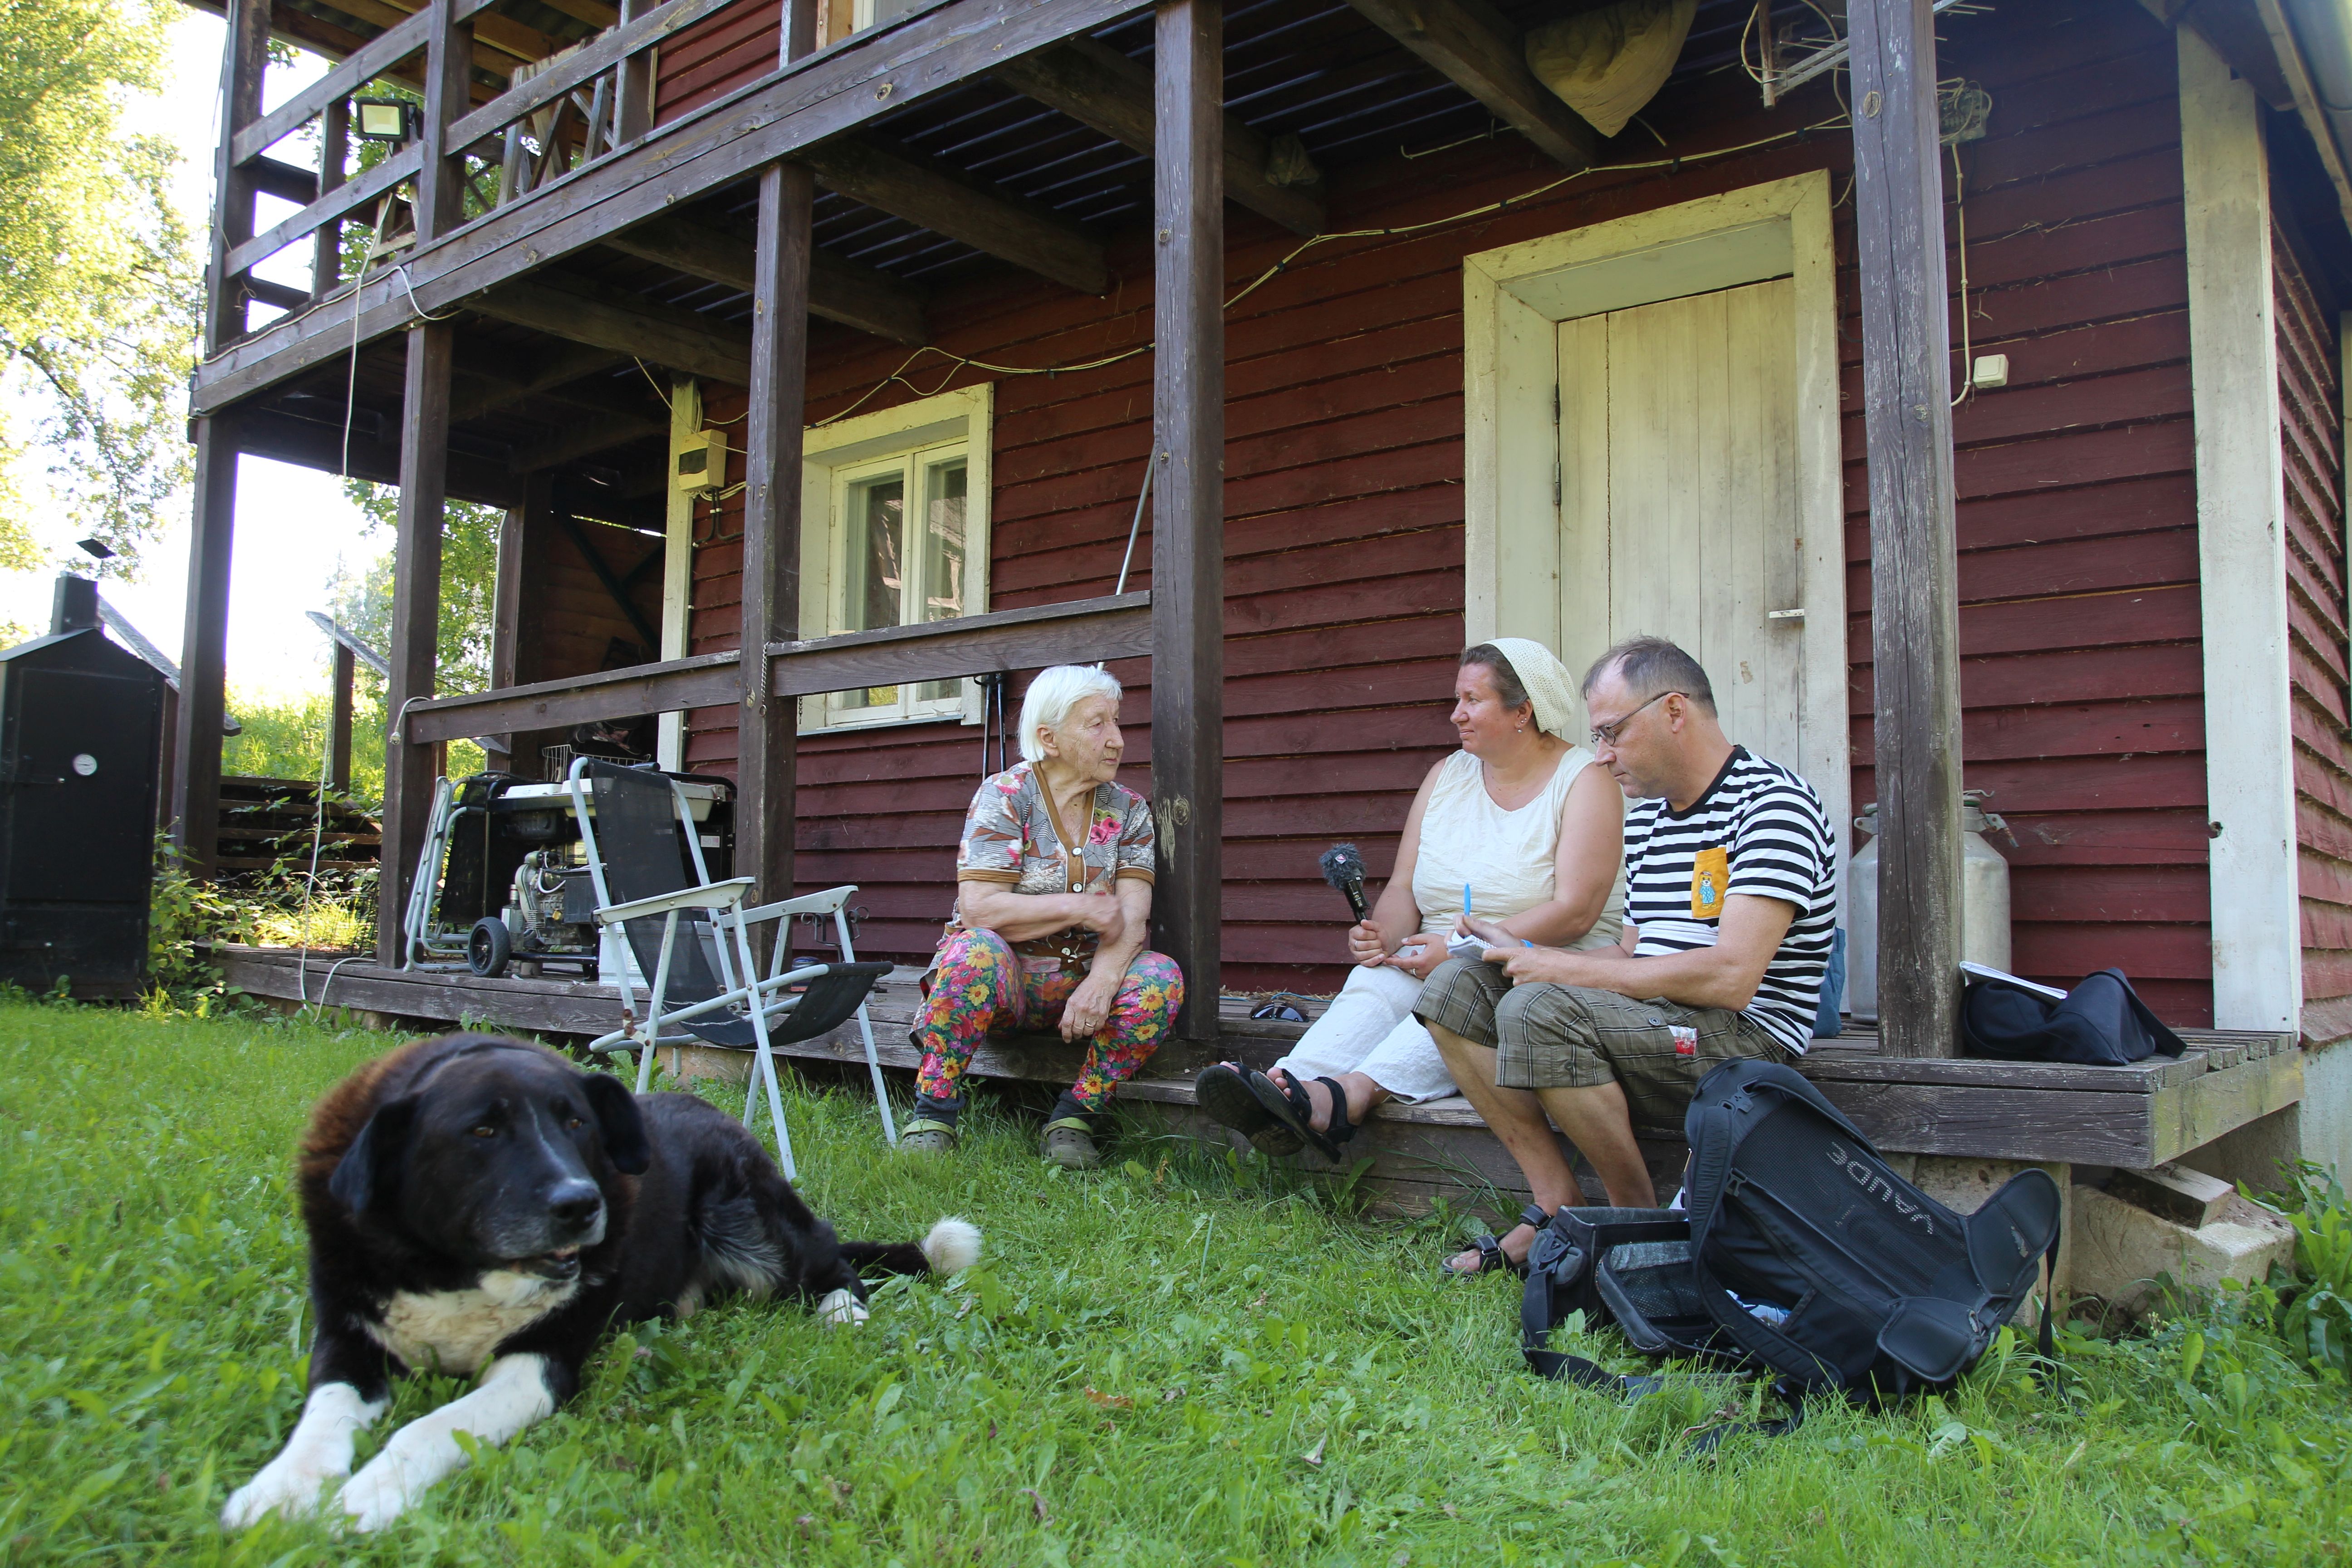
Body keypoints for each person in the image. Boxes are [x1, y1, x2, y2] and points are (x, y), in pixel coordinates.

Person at [1417, 635, 1837, 1278]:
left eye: (1612, 733)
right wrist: (1519, 949)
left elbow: (1731, 977)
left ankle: (1637, 1226)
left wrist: (1565, 968)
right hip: (1652, 1022)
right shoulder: (1648, 819)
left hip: (1742, 1045)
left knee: (1539, 1008)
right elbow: (1633, 951)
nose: (1603, 756)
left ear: (1674, 711)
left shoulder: (1773, 806)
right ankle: (1557, 1204)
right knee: (1455, 987)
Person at [1194, 640, 1626, 1159]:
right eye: (1457, 699)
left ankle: (1345, 1098)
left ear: (1523, 711)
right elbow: (1403, 887)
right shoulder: (1446, 776)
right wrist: (1386, 936)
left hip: (1534, 962)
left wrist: (1460, 950)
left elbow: (1576, 910)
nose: (1456, 714)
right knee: (1376, 980)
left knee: (1458, 988)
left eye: (1472, 700)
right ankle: (1289, 1084)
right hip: (1438, 953)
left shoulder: (1585, 780)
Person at [901, 664, 1184, 1169]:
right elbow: (981, 909)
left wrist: (1102, 981)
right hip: (1005, 984)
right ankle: (934, 1114)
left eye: (1117, 722)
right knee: (974, 950)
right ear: (1049, 738)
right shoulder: (1006, 796)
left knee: (1161, 977)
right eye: (1097, 725)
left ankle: (1076, 1117)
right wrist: (1078, 906)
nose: (1117, 740)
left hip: (1083, 990)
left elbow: (1133, 916)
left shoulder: (1130, 810)